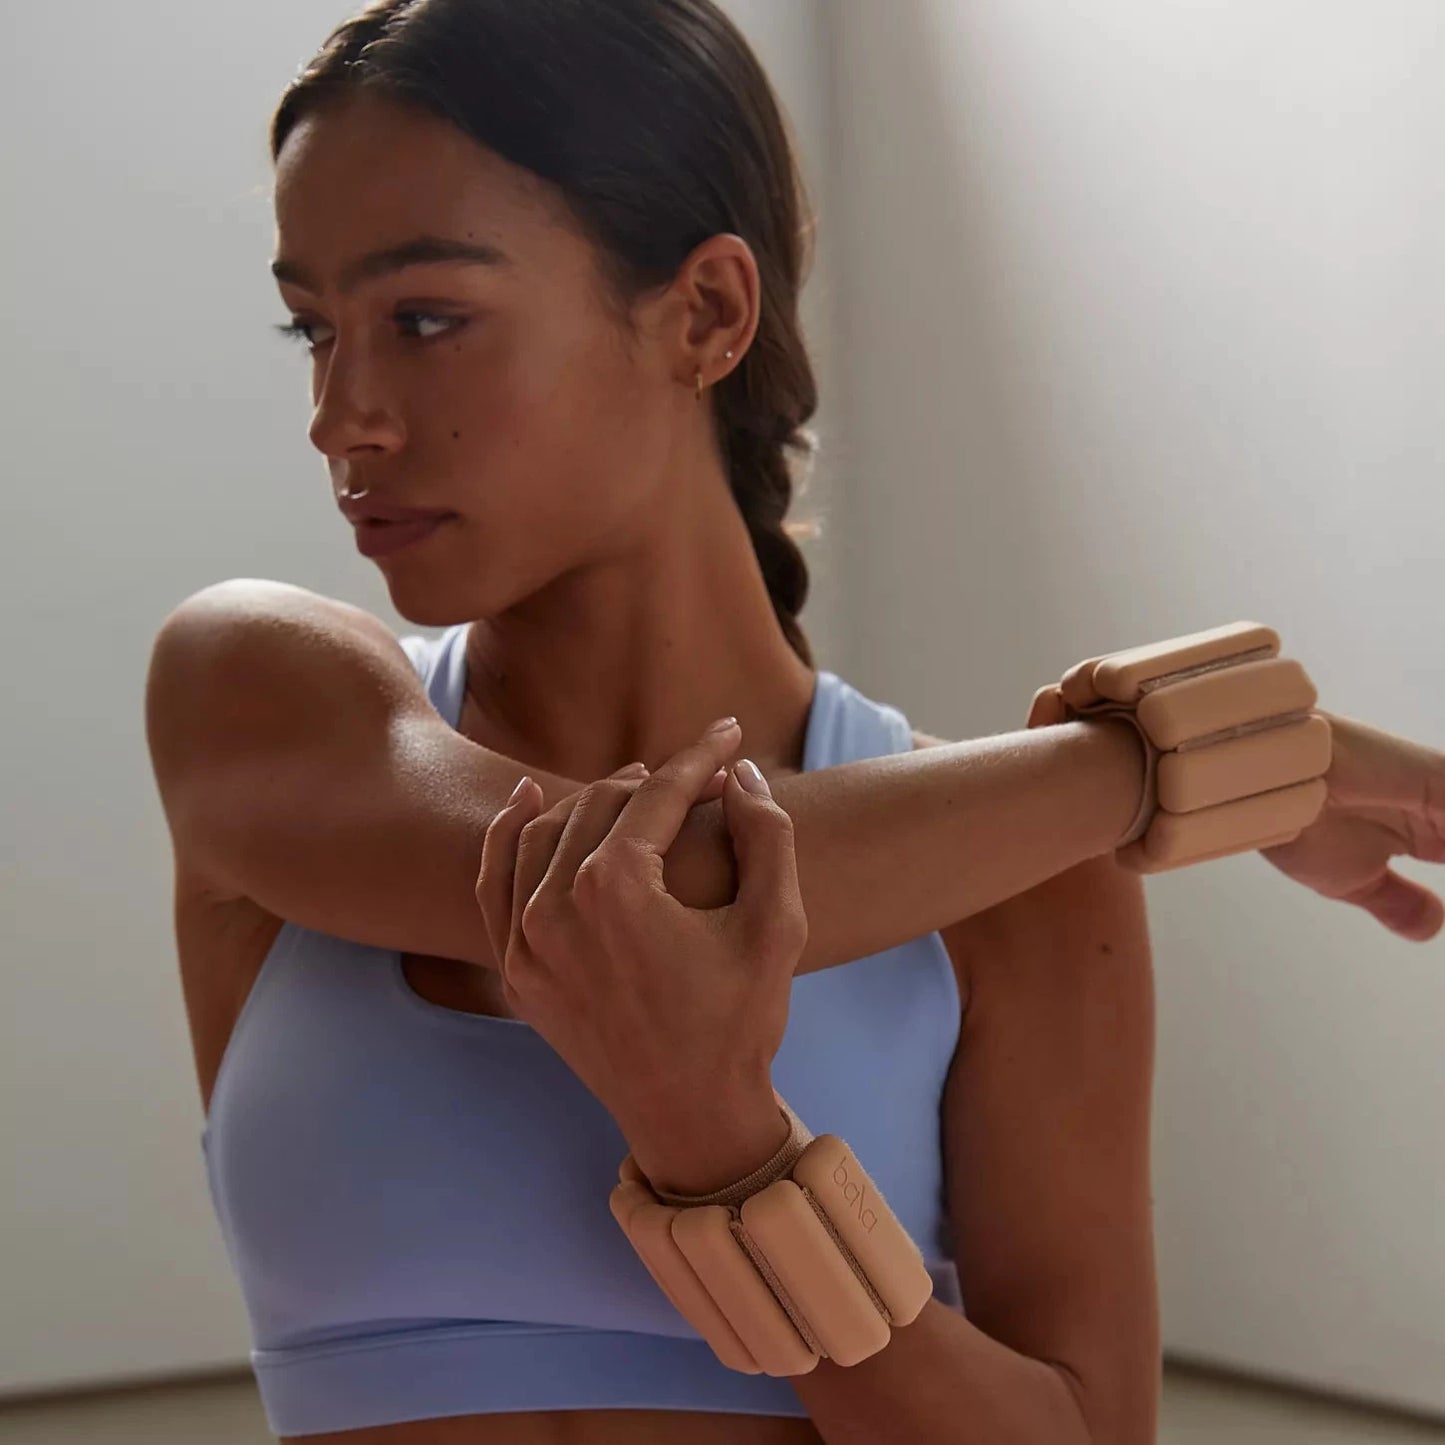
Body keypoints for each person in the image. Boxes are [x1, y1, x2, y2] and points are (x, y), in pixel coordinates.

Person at [142, 2, 1445, 1442]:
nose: (343, 416)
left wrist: (731, 1155)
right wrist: (1173, 765)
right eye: (312, 328)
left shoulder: (1023, 873)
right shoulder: (253, 687)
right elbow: (596, 886)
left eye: (426, 319)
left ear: (704, 311)